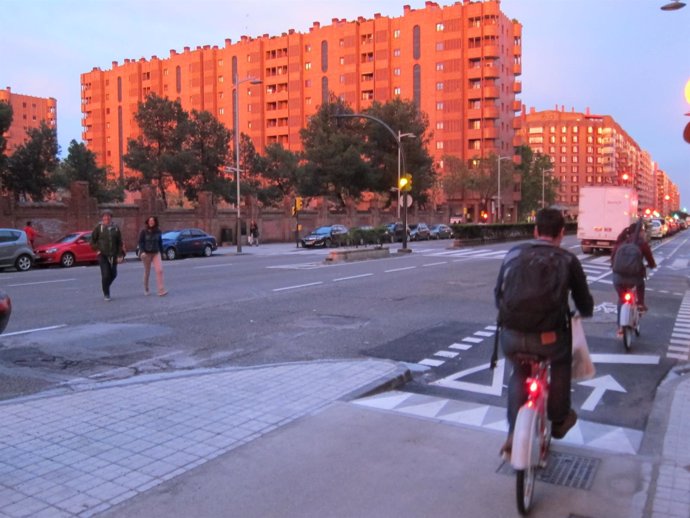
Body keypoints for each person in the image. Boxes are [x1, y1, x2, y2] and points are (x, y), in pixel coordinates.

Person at [494, 208, 594, 458]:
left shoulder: (513, 254)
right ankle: (559, 419)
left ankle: (513, 433)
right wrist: (582, 311)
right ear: (562, 233)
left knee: (519, 371)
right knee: (560, 363)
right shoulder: (568, 260)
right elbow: (585, 303)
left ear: (535, 230)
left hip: (512, 335)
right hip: (549, 338)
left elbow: (499, 294)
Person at [611, 221, 656, 319]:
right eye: (643, 231)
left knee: (622, 300)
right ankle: (640, 304)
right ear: (639, 232)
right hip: (635, 278)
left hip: (618, 278)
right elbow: (650, 258)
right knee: (640, 285)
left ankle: (620, 329)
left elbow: (613, 257)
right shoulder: (642, 243)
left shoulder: (621, 241)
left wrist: (613, 266)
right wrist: (652, 265)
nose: (644, 233)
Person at [91, 210, 125, 301]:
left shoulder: (116, 228)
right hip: (103, 255)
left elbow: (119, 242)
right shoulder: (99, 228)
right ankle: (106, 293)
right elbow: (92, 241)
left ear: (111, 217)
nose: (106, 218)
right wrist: (97, 249)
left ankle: (105, 286)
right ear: (102, 218)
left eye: (108, 216)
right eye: (105, 217)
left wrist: (119, 255)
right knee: (106, 274)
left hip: (113, 254)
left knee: (113, 274)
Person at [138, 216, 167, 297]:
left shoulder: (158, 231)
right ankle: (146, 288)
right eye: (150, 220)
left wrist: (162, 252)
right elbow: (140, 242)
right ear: (147, 222)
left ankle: (161, 290)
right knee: (147, 272)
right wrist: (142, 251)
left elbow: (160, 242)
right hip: (146, 254)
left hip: (156, 253)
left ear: (155, 222)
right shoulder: (144, 231)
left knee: (159, 270)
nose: (151, 222)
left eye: (153, 221)